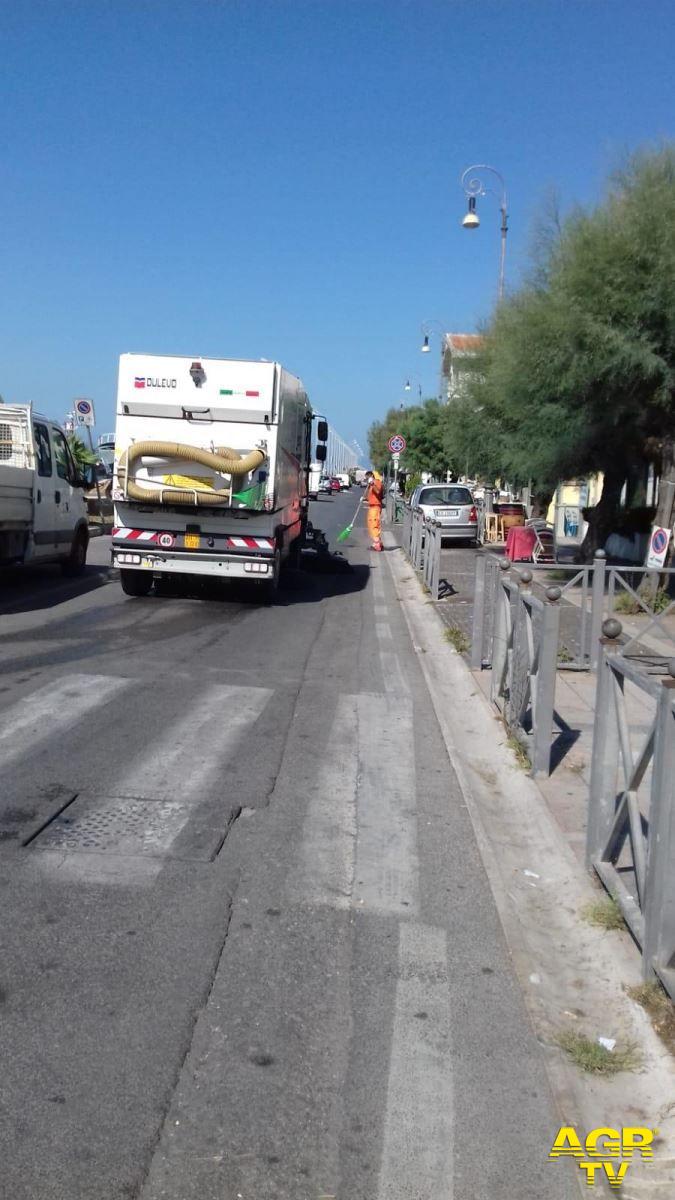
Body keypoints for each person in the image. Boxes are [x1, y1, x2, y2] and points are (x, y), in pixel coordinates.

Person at [364, 470, 384, 551]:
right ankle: (378, 543)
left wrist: (372, 483)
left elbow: (378, 491)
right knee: (372, 525)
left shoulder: (377, 482)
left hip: (375, 507)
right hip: (372, 506)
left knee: (374, 525)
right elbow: (371, 495)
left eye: (367, 477)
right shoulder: (371, 484)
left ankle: (377, 544)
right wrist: (365, 498)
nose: (367, 479)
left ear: (371, 476)